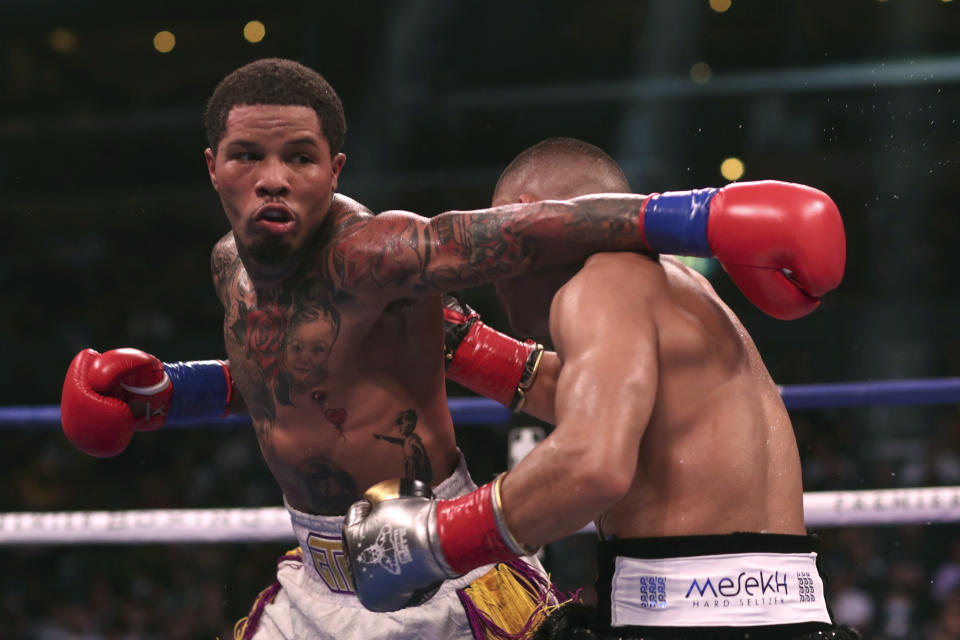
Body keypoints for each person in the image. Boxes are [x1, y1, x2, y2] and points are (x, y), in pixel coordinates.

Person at [58, 56, 843, 640]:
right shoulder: (231, 269)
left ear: (333, 169)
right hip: (320, 577)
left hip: (447, 568)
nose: (271, 180)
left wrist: (702, 216)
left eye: (298, 157)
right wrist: (175, 393)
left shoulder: (381, 254)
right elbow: (294, 377)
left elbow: (524, 237)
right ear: (213, 168)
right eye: (247, 158)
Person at [343, 137, 858, 640]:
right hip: (795, 615)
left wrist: (434, 540)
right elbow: (609, 401)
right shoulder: (675, 285)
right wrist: (470, 348)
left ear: (522, 216)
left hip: (685, 620)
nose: (488, 269)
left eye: (490, 237)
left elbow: (591, 464)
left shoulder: (598, 286)